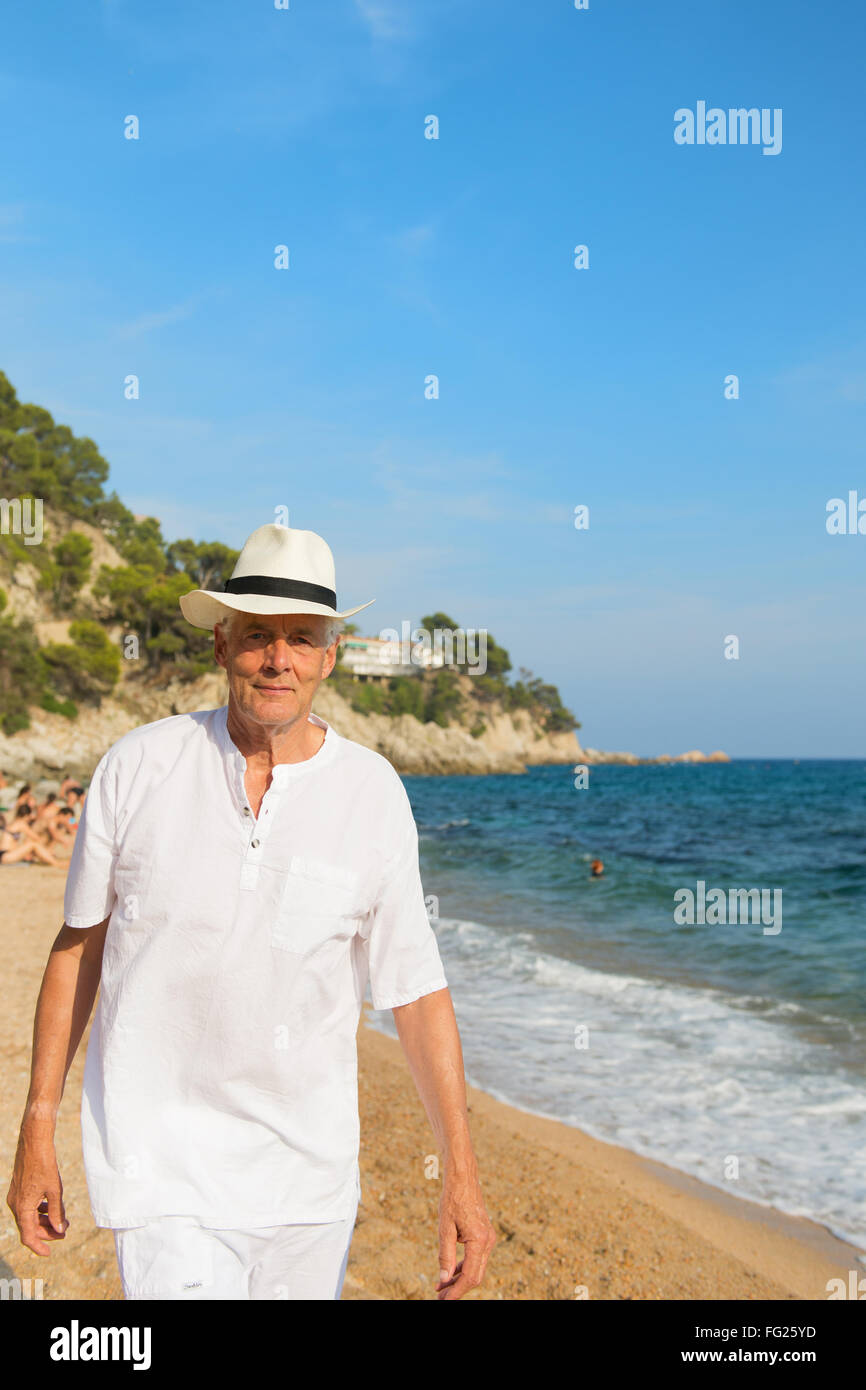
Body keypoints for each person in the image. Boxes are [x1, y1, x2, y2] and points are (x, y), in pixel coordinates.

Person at [7, 523, 496, 1302]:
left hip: (309, 1185)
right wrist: (39, 1123)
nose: (279, 660)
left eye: (302, 639)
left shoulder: (372, 795)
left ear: (329, 658)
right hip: (160, 1168)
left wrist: (461, 1178)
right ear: (219, 645)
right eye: (258, 636)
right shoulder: (138, 766)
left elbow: (416, 991)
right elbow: (78, 949)